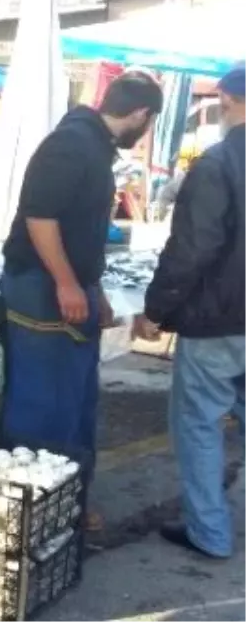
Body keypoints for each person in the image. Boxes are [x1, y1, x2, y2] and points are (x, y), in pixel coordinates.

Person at [0, 72, 162, 530]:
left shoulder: (94, 146)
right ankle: (25, 503)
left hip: (70, 285)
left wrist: (94, 289)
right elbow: (40, 218)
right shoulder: (70, 144)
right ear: (141, 115)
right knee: (41, 400)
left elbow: (79, 231)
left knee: (75, 397)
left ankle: (66, 495)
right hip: (38, 285)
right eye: (148, 124)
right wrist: (68, 284)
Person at [136, 66, 246, 559]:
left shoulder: (219, 163)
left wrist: (155, 311)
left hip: (218, 321)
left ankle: (211, 533)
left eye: (222, 102)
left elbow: (191, 250)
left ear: (228, 101)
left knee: (198, 423)